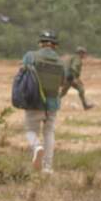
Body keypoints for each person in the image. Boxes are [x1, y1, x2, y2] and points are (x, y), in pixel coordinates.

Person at [22, 31, 66, 174]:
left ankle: (36, 147)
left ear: (41, 44)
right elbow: (63, 82)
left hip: (34, 101)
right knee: (49, 132)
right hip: (52, 104)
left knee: (30, 130)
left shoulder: (31, 56)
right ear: (55, 46)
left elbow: (23, 74)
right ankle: (47, 167)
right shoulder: (61, 62)